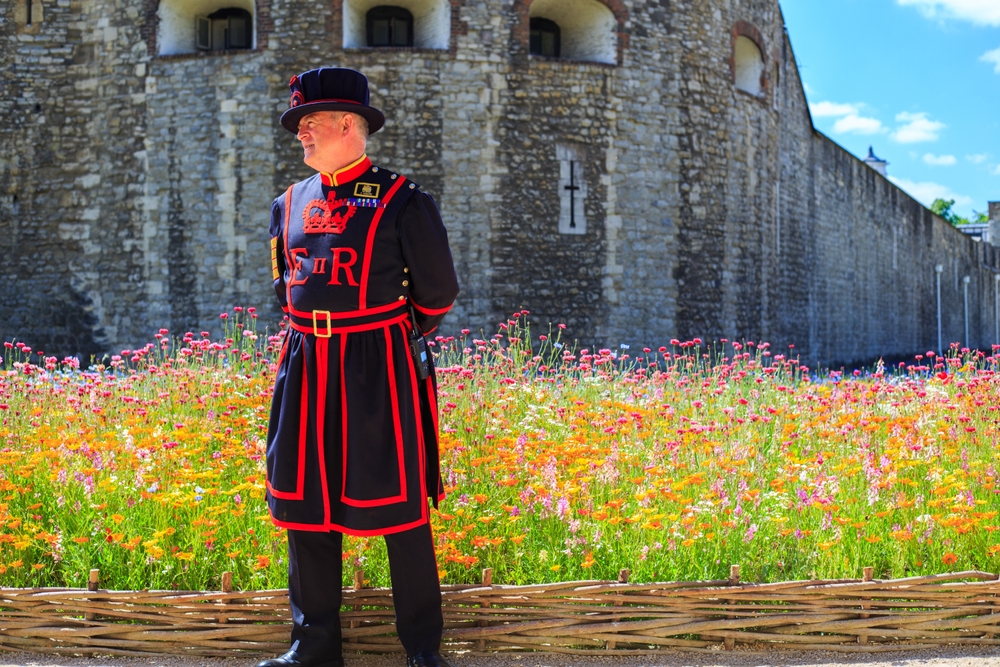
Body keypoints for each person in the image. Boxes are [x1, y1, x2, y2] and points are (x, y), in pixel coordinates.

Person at [258, 67, 459, 667]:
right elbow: (283, 286)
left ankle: (423, 651)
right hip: (305, 364)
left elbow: (437, 294)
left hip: (379, 366)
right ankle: (313, 648)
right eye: (299, 126)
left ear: (349, 124)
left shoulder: (405, 201)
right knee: (305, 505)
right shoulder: (288, 203)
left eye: (310, 123)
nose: (301, 135)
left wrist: (378, 336)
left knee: (400, 508)